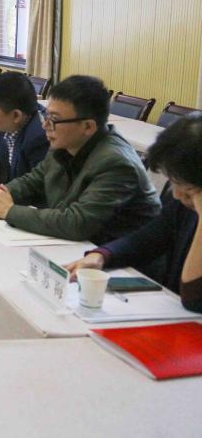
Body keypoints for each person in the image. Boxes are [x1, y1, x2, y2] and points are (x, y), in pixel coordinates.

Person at [0, 75, 160, 244]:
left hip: (121, 260)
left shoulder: (116, 163)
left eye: (54, 119)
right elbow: (33, 181)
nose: (45, 126)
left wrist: (8, 210)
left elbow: (77, 223)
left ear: (88, 126)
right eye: (46, 116)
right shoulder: (65, 144)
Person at [64, 113, 202, 313]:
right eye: (173, 183)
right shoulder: (183, 200)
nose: (177, 194)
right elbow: (152, 236)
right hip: (170, 308)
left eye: (188, 188)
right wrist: (102, 255)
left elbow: (194, 299)